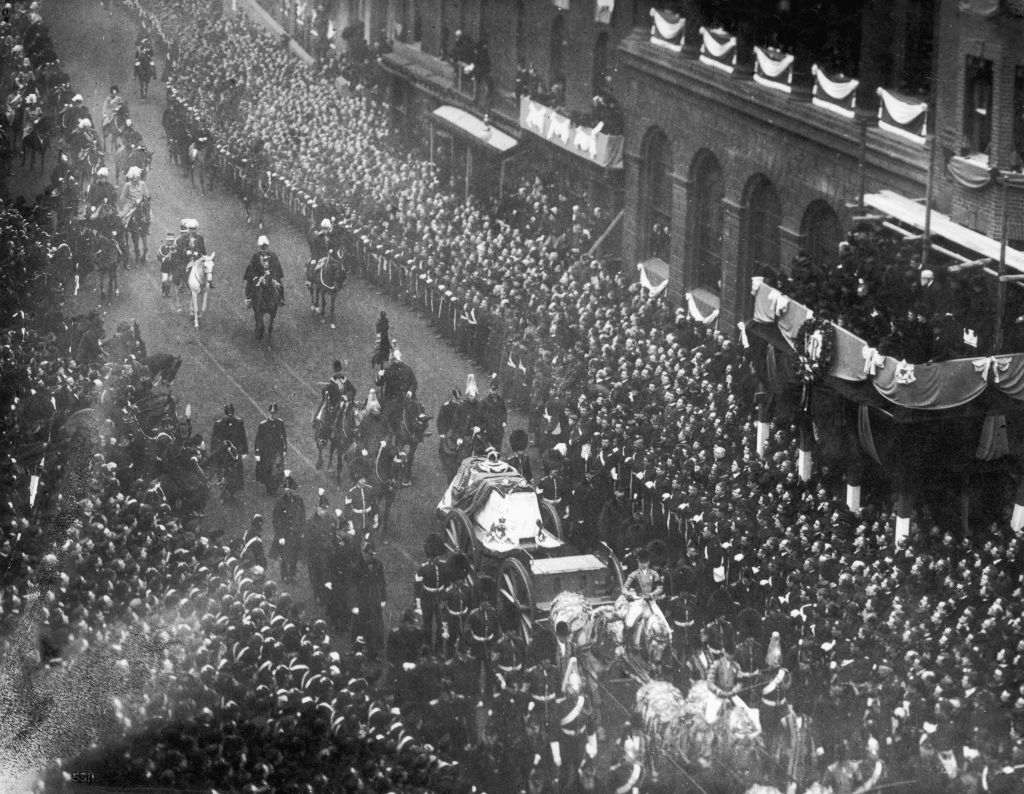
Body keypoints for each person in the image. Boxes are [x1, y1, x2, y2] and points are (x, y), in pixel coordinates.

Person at [622, 548, 664, 650]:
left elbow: (660, 587)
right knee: (629, 623)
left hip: (651, 602)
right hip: (638, 602)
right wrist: (629, 595)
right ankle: (626, 644)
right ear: (638, 562)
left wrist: (653, 594)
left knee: (663, 622)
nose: (643, 565)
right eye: (641, 562)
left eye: (645, 562)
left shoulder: (654, 574)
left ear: (648, 562)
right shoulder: (633, 575)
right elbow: (624, 588)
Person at [415, 533, 449, 653]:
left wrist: (445, 598)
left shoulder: (444, 566)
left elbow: (447, 583)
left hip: (440, 597)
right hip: (427, 598)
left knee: (440, 623)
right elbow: (417, 587)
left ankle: (438, 649)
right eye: (434, 556)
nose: (435, 559)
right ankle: (427, 647)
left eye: (436, 556)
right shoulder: (423, 568)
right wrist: (418, 604)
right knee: (427, 623)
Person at [271, 471, 304, 582]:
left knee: (294, 555)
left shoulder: (299, 501)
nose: (289, 492)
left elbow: (302, 516)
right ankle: (284, 575)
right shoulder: (280, 502)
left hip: (296, 532)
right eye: (287, 489)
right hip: (284, 534)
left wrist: (302, 531)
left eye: (292, 490)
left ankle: (293, 574)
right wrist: (280, 536)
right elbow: (276, 520)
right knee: (284, 556)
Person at [210, 403, 247, 502]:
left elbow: (243, 437)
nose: (230, 415)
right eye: (228, 413)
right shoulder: (219, 424)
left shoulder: (239, 422)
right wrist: (213, 451)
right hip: (223, 452)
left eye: (231, 413)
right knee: (222, 473)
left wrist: (245, 451)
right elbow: (214, 439)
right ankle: (223, 494)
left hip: (234, 452)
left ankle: (232, 493)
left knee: (235, 474)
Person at [253, 402, 287, 494]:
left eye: (274, 413)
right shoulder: (263, 424)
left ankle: (274, 487)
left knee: (277, 469)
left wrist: (284, 449)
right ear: (268, 413)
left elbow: (284, 436)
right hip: (266, 451)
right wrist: (257, 453)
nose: (272, 415)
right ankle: (268, 486)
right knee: (267, 469)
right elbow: (258, 439)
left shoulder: (280, 423)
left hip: (277, 450)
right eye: (271, 413)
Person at [244, 234, 285, 306]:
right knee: (249, 284)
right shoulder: (256, 256)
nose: (264, 248)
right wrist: (255, 276)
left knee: (279, 284)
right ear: (260, 247)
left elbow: (276, 266)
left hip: (271, 275)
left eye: (265, 246)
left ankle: (281, 299)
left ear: (267, 246)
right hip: (259, 276)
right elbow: (251, 267)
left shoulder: (273, 255)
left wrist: (273, 274)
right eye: (262, 247)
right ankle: (249, 299)